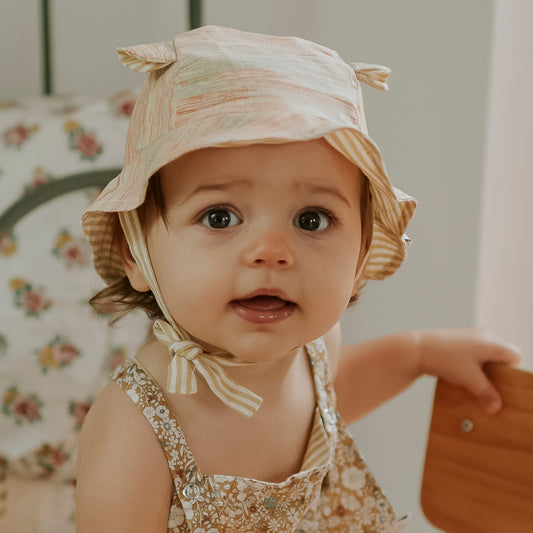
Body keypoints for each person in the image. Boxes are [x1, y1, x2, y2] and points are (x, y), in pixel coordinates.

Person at [76, 26, 521, 532]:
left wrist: (420, 354)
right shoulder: (135, 431)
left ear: (361, 254)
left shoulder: (314, 347)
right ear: (133, 252)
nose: (271, 251)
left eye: (312, 219)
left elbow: (326, 401)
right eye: (220, 217)